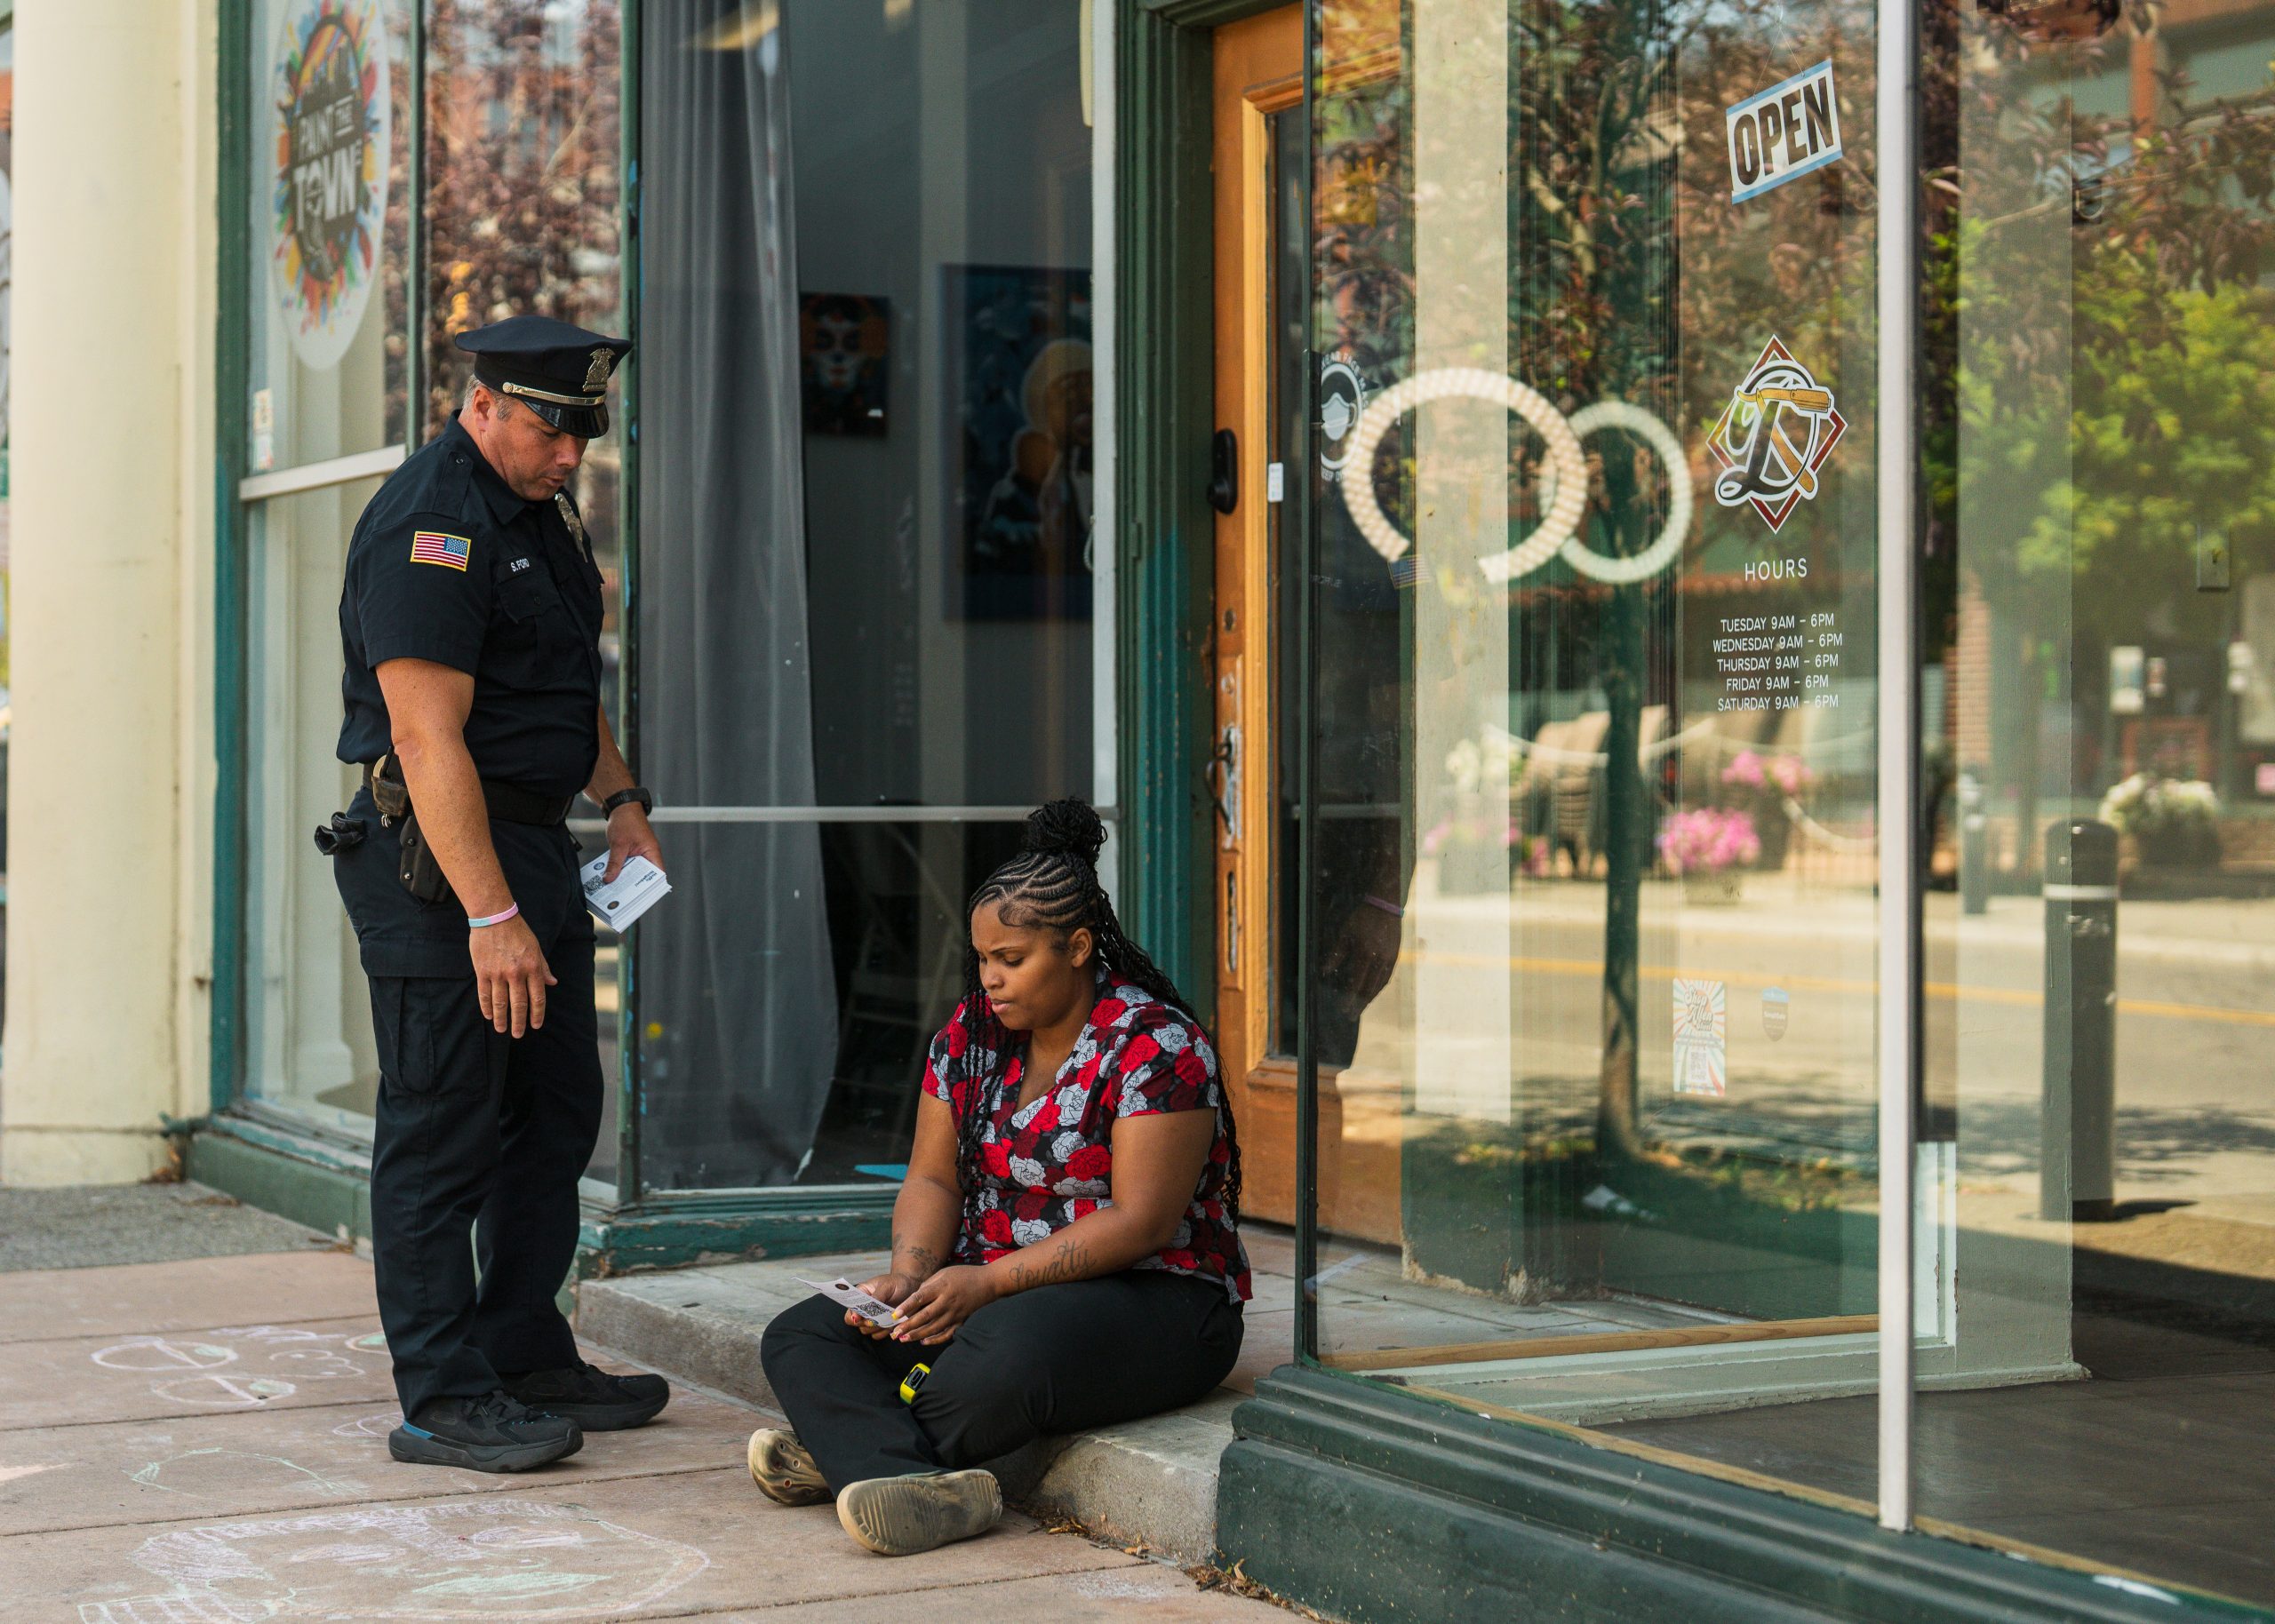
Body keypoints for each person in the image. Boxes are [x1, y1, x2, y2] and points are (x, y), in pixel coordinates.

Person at [324, 314, 670, 1473]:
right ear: (483, 406)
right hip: (439, 865)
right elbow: (427, 741)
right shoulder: (435, 521)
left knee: (558, 1100)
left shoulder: (540, 513)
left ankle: (521, 1346)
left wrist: (623, 805)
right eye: (554, 429)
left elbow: (566, 688)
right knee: (443, 1123)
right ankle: (441, 1394)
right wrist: (489, 916)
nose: (575, 454)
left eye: (588, 431)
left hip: (531, 850)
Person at [750, 800, 1250, 1556]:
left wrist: (986, 1285)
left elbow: (1141, 1222)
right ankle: (913, 1485)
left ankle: (847, 1453)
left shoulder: (1155, 1044)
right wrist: (911, 1279)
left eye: (1012, 959)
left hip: (1158, 1301)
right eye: (983, 959)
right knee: (803, 1333)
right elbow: (932, 1179)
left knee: (998, 1361)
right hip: (994, 1291)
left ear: (1077, 947)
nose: (991, 978)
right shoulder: (971, 1037)